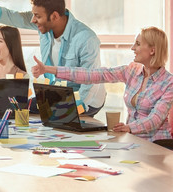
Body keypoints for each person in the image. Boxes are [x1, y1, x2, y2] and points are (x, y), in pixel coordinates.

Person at [0, 0, 106, 117]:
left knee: (58, 122)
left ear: (54, 16)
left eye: (37, 16)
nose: (33, 20)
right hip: (58, 95)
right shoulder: (45, 26)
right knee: (20, 108)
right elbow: (11, 16)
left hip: (86, 100)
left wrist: (72, 112)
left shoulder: (86, 39)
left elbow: (90, 81)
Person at [31, 26, 173, 142]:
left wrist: (129, 127)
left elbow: (155, 119)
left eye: (138, 44)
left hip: (156, 145)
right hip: (133, 141)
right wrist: (49, 69)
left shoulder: (168, 83)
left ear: (152, 50)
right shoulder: (131, 71)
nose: (132, 48)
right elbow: (93, 75)